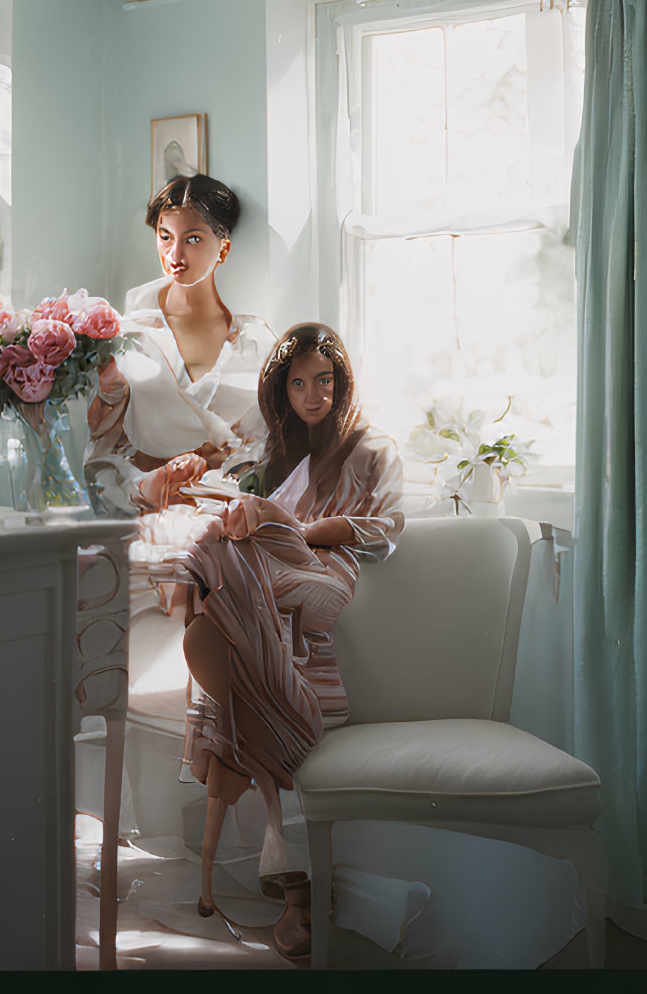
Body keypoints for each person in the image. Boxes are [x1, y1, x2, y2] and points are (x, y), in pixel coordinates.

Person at [159, 323, 405, 961]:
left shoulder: (373, 446)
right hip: (269, 581)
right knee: (216, 542)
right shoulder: (275, 449)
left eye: (323, 381)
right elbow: (235, 481)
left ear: (341, 380)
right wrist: (237, 502)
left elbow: (389, 529)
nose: (313, 395)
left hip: (323, 573)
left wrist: (319, 528)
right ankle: (264, 696)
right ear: (282, 390)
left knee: (223, 582)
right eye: (298, 384)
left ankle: (215, 640)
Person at [82, 174, 276, 517]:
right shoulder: (129, 337)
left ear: (223, 248)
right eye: (165, 237)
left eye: (194, 239)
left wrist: (210, 471)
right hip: (143, 510)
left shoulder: (256, 344)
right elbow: (103, 449)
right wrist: (153, 482)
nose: (175, 254)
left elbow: (269, 449)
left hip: (226, 515)